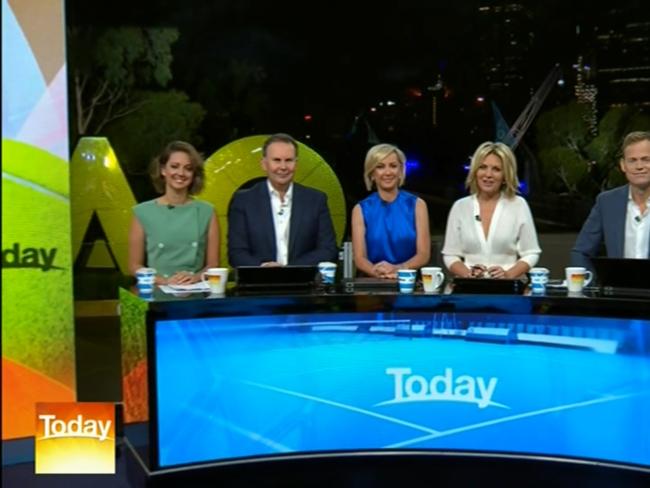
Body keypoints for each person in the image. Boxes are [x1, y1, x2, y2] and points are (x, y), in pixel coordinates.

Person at [227, 133, 338, 267]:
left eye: (289, 160)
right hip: (259, 283)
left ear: (296, 164)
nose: (283, 167)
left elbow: (328, 250)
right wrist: (264, 267)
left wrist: (289, 270)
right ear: (264, 164)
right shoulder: (243, 201)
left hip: (304, 284)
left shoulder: (316, 200)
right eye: (277, 160)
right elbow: (236, 253)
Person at [442, 141, 541, 279]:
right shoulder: (460, 207)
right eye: (483, 167)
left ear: (505, 176)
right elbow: (450, 255)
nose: (488, 174)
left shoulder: (518, 205)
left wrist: (508, 275)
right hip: (470, 290)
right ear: (475, 171)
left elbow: (531, 253)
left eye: (496, 169)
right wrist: (468, 274)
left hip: (509, 290)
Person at [128, 141, 219, 285]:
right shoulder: (142, 212)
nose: (181, 173)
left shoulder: (207, 212)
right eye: (174, 166)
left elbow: (213, 266)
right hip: (158, 292)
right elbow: (134, 267)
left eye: (188, 168)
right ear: (163, 170)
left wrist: (194, 278)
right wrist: (164, 281)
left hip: (195, 291)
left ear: (194, 174)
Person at [571, 131, 650, 271]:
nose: (639, 166)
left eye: (646, 159)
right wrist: (595, 285)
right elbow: (581, 252)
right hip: (619, 290)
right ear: (623, 165)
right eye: (632, 160)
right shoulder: (607, 202)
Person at [351, 143, 430, 279]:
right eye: (380, 167)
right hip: (373, 285)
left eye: (393, 166)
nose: (388, 172)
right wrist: (380, 273)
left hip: (408, 282)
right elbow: (359, 258)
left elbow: (423, 254)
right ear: (372, 173)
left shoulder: (417, 205)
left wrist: (399, 269)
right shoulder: (361, 209)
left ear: (400, 171)